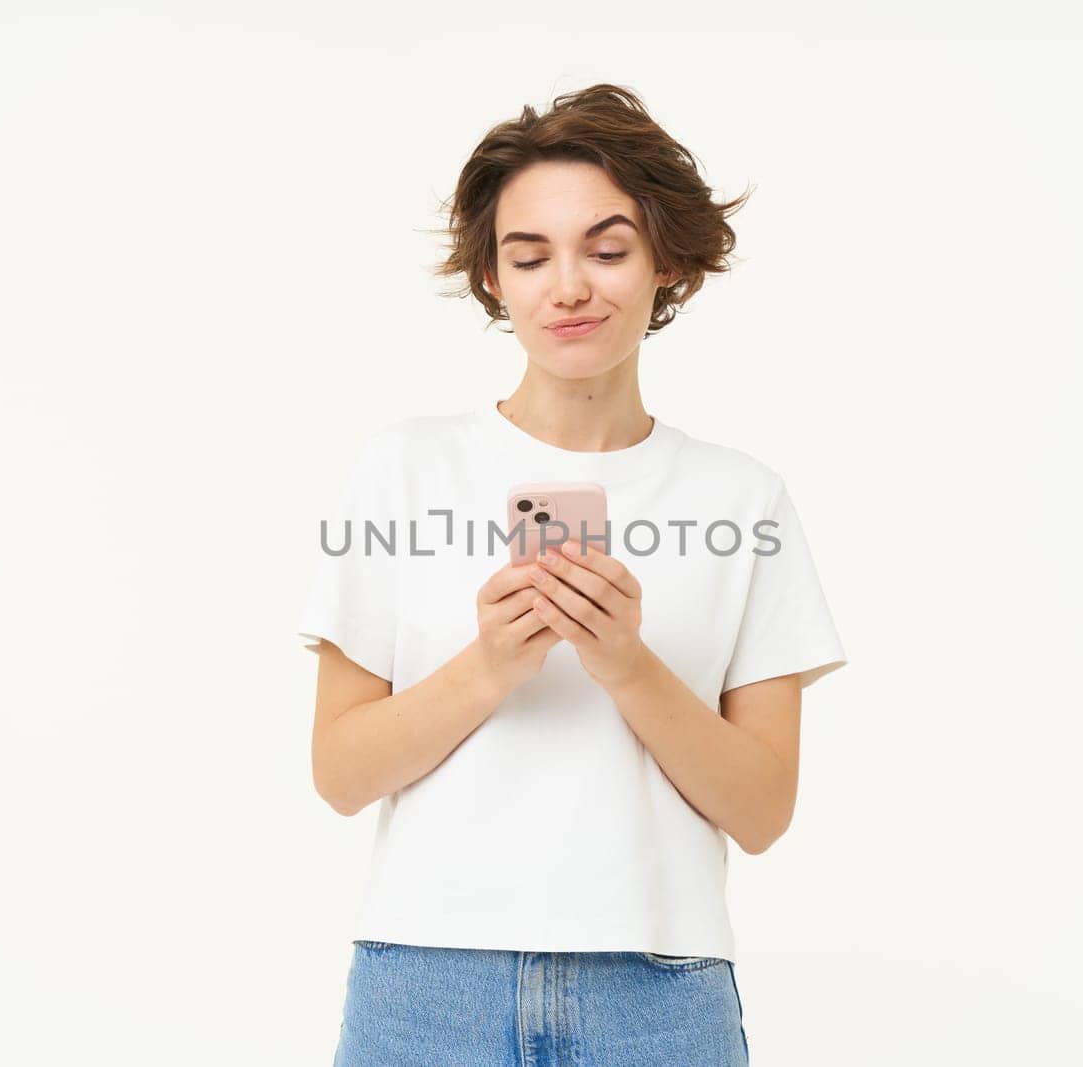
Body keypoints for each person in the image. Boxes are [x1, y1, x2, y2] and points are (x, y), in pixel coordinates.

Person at [298, 83, 847, 1066]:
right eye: (529, 254)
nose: (568, 286)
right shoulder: (401, 468)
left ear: (664, 263)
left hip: (657, 991)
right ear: (491, 278)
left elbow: (762, 810)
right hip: (426, 983)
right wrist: (490, 665)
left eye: (606, 249)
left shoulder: (742, 498)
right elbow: (339, 773)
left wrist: (627, 662)